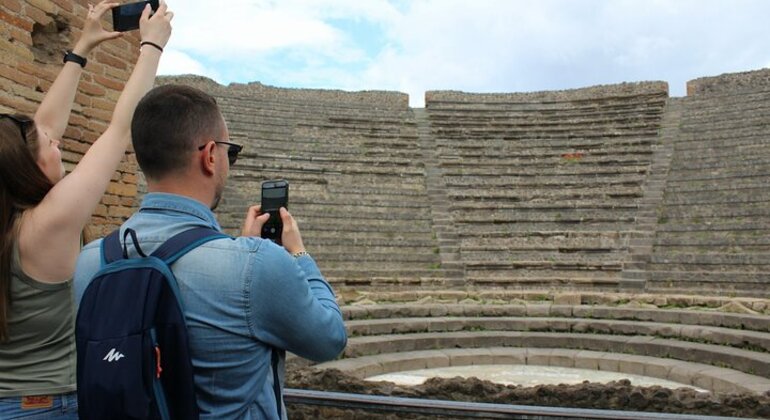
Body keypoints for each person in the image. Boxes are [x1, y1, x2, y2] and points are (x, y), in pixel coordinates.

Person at [73, 84, 348, 419]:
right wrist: (298, 256)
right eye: (229, 153)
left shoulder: (89, 261)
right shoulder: (256, 264)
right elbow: (329, 339)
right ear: (210, 156)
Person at [0, 2, 173, 418]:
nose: (57, 141)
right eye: (51, 145)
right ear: (27, 164)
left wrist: (81, 49)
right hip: (43, 407)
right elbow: (118, 131)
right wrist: (151, 46)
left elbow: (42, 129)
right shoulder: (47, 225)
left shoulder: (11, 221)